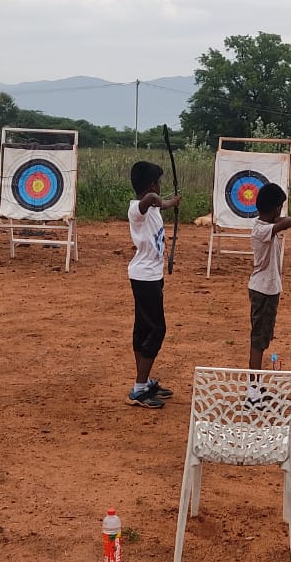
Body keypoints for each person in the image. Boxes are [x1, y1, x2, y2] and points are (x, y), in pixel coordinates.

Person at [126, 161, 181, 408]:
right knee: (157, 329)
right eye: (158, 183)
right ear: (151, 186)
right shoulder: (136, 209)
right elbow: (150, 200)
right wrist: (166, 201)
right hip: (144, 277)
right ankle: (139, 389)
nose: (160, 187)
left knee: (143, 328)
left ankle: (144, 381)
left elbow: (155, 202)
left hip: (151, 276)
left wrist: (168, 203)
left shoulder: (152, 209)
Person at [248, 184, 291, 370]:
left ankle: (256, 382)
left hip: (267, 289)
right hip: (263, 290)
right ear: (276, 208)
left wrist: (274, 215)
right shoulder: (262, 230)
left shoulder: (266, 226)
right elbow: (290, 221)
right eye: (280, 207)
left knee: (263, 337)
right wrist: (277, 217)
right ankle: (254, 385)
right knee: (258, 341)